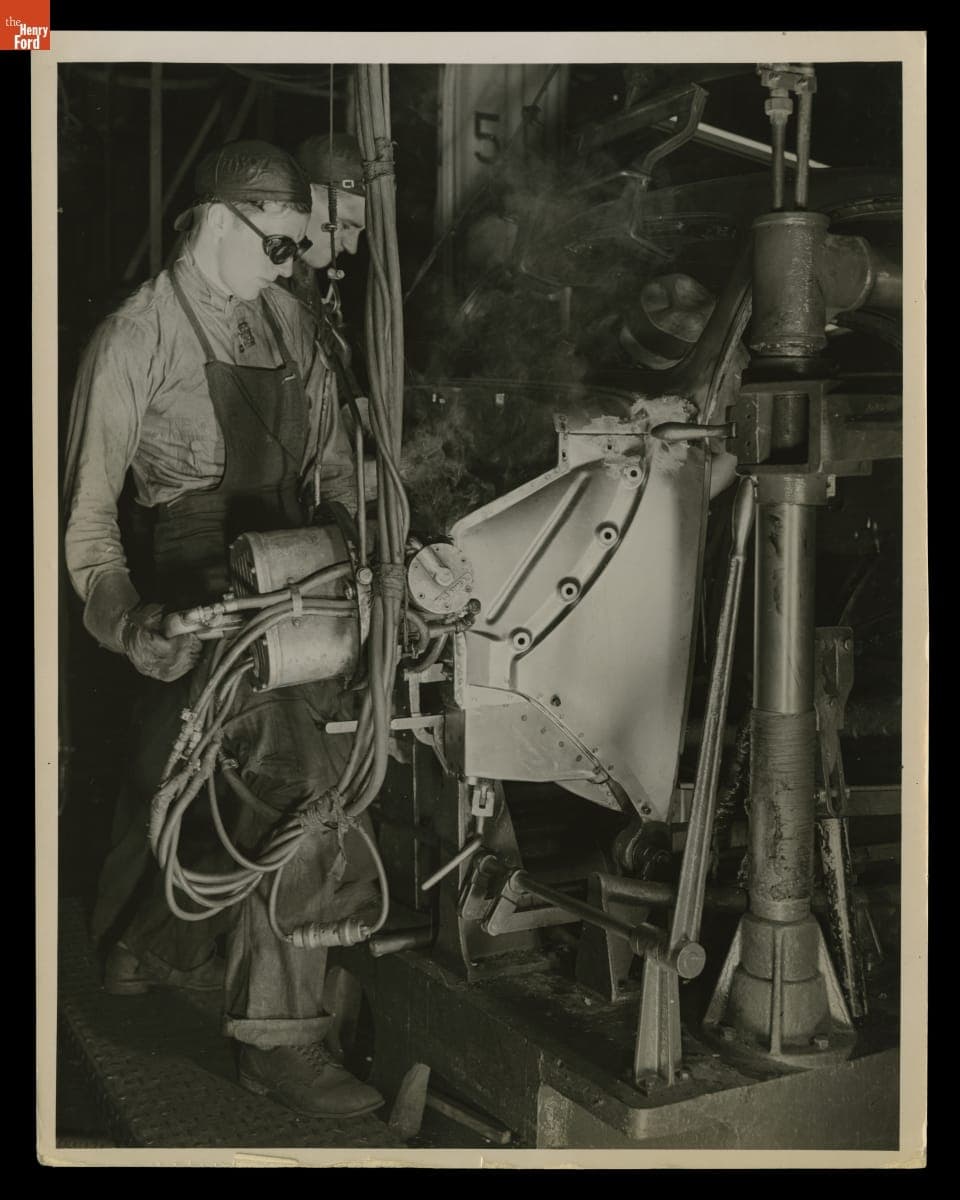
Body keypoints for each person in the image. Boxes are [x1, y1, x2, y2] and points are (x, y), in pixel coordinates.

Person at [63, 139, 384, 1119]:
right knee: (292, 777)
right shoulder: (135, 337)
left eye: (298, 244)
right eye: (277, 242)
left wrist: (358, 536)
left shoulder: (293, 325)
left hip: (299, 573)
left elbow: (336, 471)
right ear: (212, 220)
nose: (292, 264)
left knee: (235, 779)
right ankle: (279, 1043)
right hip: (197, 579)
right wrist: (130, 623)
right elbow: (84, 523)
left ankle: (145, 949)